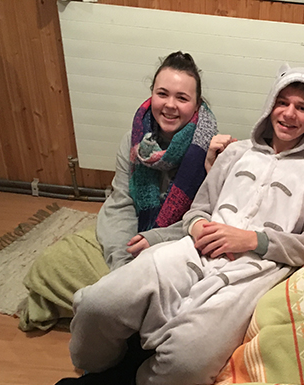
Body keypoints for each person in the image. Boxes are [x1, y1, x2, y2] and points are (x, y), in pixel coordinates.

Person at [68, 64, 304, 385]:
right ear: (270, 104)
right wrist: (196, 226)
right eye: (282, 102)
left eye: (302, 107)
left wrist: (252, 240)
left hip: (250, 275)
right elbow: (198, 210)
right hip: (193, 250)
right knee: (98, 303)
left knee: (188, 360)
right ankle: (99, 372)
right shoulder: (237, 153)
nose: (289, 114)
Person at [20, 51, 218, 332]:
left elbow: (208, 219)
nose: (170, 105)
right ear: (152, 95)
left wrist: (155, 239)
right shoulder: (134, 141)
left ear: (197, 104)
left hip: (178, 246)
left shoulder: (210, 150)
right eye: (162, 94)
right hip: (132, 240)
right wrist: (122, 265)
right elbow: (120, 203)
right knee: (51, 264)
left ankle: (114, 310)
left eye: (182, 98)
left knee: (187, 296)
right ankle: (129, 312)